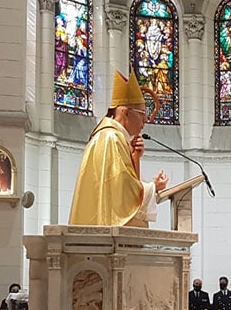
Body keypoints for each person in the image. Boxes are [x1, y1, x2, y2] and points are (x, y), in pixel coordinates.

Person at [69, 70, 168, 227]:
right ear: (125, 113)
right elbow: (123, 197)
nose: (145, 120)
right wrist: (153, 187)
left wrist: (135, 157)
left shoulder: (111, 136)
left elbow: (120, 187)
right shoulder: (111, 139)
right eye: (142, 114)